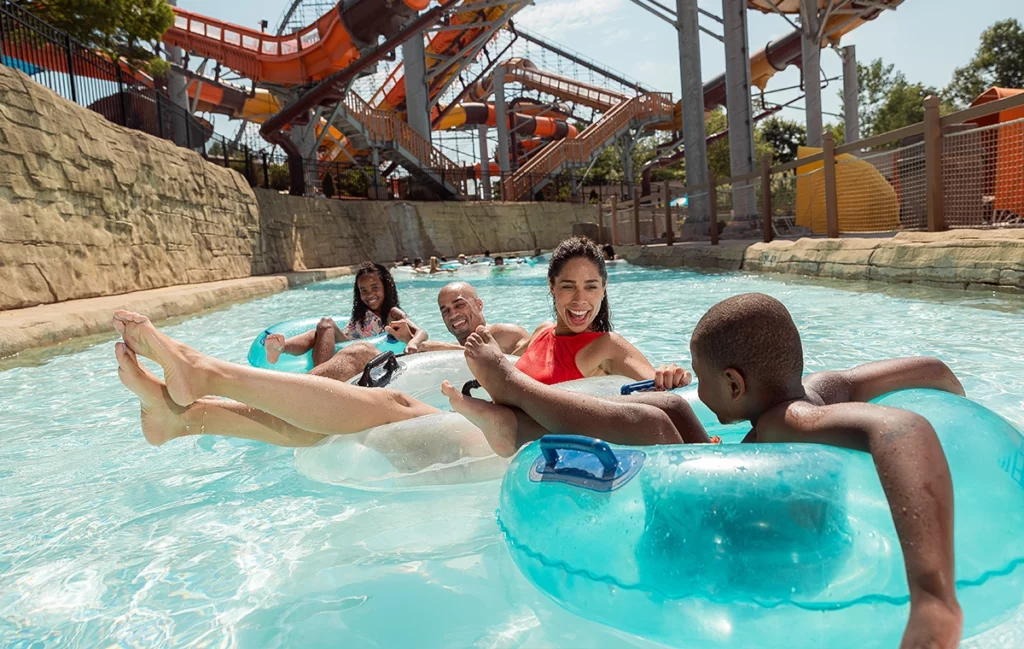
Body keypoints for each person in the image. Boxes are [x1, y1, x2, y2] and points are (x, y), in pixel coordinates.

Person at [442, 292, 963, 649]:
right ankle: (514, 418)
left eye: (708, 382)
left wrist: (933, 597)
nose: (704, 392)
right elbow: (934, 370)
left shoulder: (792, 418)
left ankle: (514, 399)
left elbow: (901, 430)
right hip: (751, 518)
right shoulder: (823, 387)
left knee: (653, 429)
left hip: (761, 565)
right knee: (669, 409)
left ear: (734, 386)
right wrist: (958, 402)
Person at [511, 236, 689, 387]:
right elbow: (506, 366)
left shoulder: (607, 346)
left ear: (604, 288)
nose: (580, 300)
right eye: (568, 286)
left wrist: (673, 377)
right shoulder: (542, 331)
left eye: (591, 287)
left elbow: (660, 385)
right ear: (552, 286)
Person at [263, 261, 426, 380]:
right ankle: (281, 347)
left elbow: (421, 332)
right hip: (346, 346)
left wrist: (413, 342)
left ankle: (317, 376)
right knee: (318, 331)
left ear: (386, 287)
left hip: (358, 352)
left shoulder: (392, 312)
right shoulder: (362, 314)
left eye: (375, 288)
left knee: (326, 323)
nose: (370, 294)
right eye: (364, 290)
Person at [389, 282, 530, 355]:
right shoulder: (451, 352)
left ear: (479, 305)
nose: (453, 314)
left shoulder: (504, 334)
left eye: (460, 305)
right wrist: (410, 339)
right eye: (446, 311)